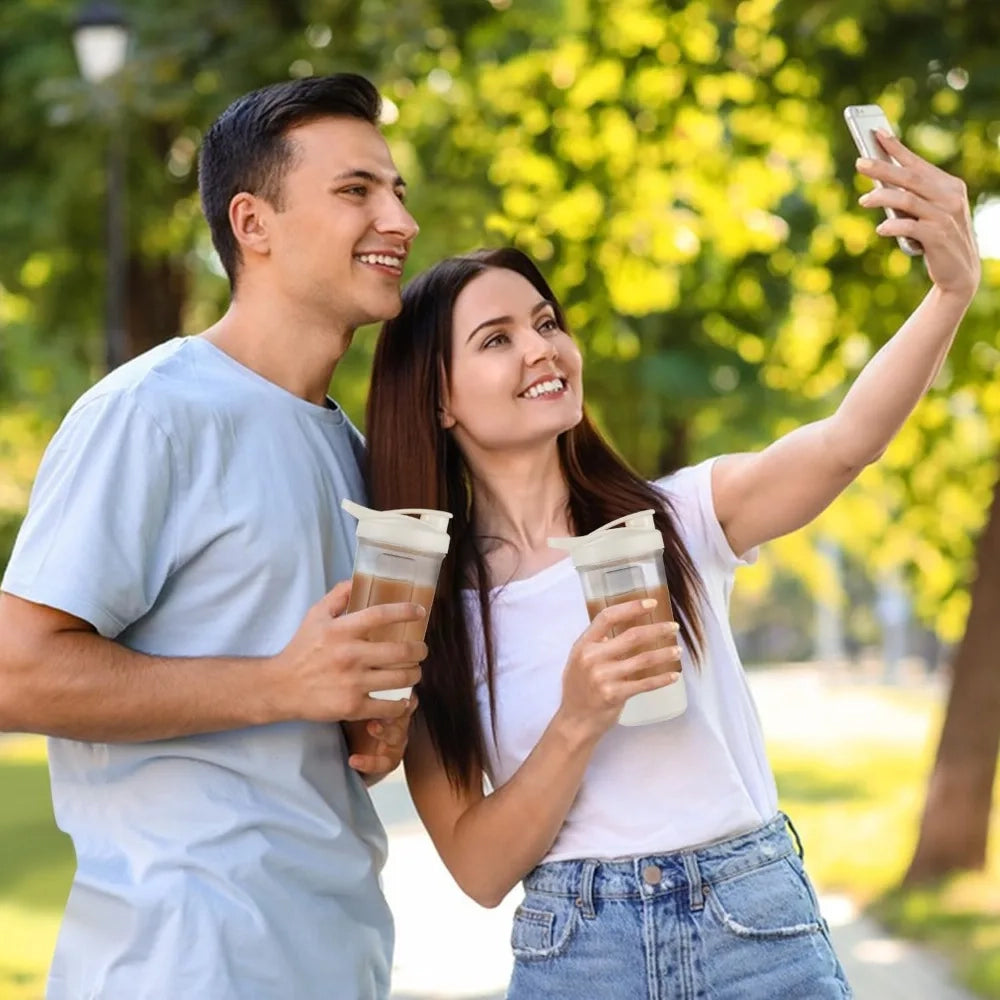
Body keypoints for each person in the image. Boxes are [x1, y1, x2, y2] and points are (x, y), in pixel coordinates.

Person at [358, 132, 980, 998]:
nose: (542, 349)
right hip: (580, 950)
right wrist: (580, 717)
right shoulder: (433, 619)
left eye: (545, 323)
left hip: (754, 926)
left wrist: (953, 290)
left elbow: (844, 445)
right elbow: (478, 867)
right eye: (496, 340)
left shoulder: (675, 519)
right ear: (437, 398)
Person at [0, 74, 423, 999]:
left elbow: (313, 691)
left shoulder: (352, 449)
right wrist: (283, 683)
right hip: (182, 963)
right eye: (356, 190)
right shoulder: (152, 413)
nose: (398, 219)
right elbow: (14, 669)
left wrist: (376, 720)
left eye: (396, 191)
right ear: (253, 223)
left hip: (336, 955)